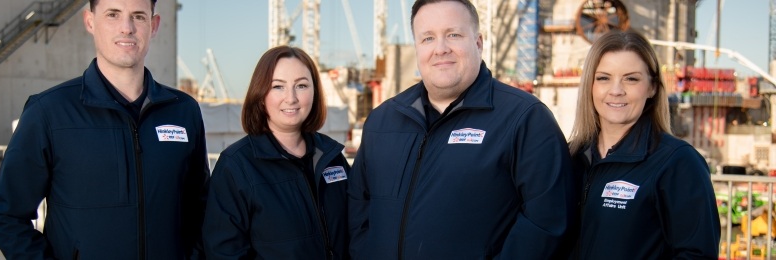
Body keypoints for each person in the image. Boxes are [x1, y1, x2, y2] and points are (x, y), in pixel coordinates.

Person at [347, 0, 576, 259]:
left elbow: (547, 223)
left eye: (453, 35)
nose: (440, 49)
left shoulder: (525, 118)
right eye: (428, 38)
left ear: (478, 43)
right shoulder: (382, 122)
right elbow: (359, 211)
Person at [0, 0, 210, 258]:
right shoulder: (48, 112)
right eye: (113, 14)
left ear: (154, 25)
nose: (127, 28)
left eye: (138, 16)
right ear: (90, 21)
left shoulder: (183, 111)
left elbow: (202, 209)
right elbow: (7, 215)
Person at [567, 30, 720, 259]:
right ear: (590, 86)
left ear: (652, 87)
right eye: (603, 78)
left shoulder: (677, 163)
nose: (616, 90)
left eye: (631, 78)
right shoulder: (571, 158)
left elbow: (697, 254)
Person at [202, 46, 350, 259]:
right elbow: (224, 252)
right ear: (260, 95)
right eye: (278, 87)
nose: (291, 98)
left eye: (301, 85)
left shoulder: (331, 157)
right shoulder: (236, 167)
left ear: (315, 92)